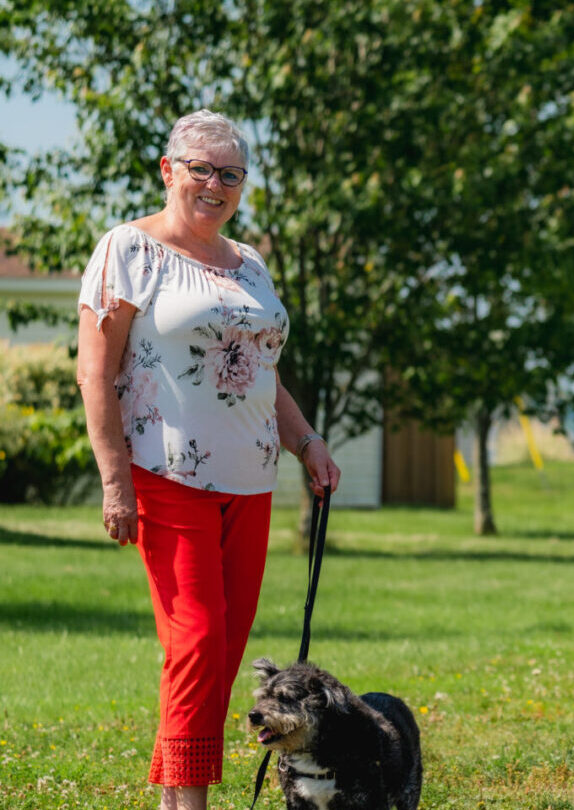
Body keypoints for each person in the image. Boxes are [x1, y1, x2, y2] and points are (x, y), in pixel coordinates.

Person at [75, 109, 339, 810]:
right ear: (169, 171)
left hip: (251, 481)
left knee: (218, 657)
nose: (215, 185)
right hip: (167, 476)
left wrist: (307, 441)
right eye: (201, 169)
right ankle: (189, 805)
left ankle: (170, 799)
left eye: (231, 174)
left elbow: (261, 373)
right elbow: (93, 373)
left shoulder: (249, 262)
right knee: (196, 641)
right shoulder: (128, 249)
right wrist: (114, 481)